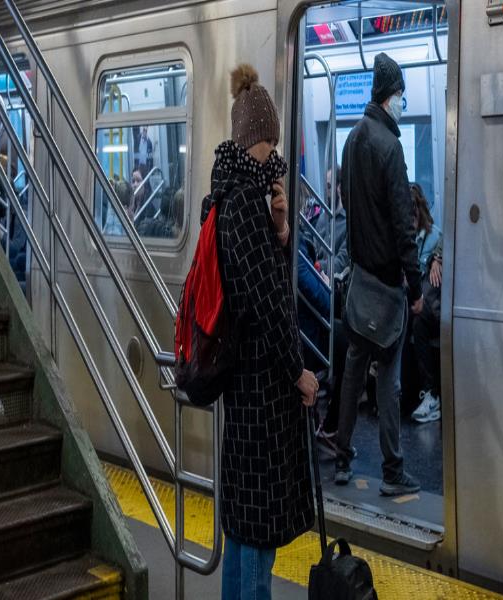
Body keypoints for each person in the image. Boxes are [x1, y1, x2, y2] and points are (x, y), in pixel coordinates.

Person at [214, 63, 316, 600]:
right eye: (268, 143)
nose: (274, 154)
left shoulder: (238, 199)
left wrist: (281, 229)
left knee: (242, 532)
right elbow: (269, 304)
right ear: (250, 141)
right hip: (261, 392)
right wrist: (297, 371)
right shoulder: (241, 206)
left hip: (248, 388)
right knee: (257, 535)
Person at [335, 52, 423, 496]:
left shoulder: (351, 141)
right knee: (389, 380)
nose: (404, 105)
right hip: (387, 286)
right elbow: (404, 223)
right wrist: (416, 284)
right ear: (390, 98)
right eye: (402, 97)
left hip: (359, 280)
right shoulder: (391, 147)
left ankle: (342, 457)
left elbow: (349, 204)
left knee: (353, 372)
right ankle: (393, 471)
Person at [409, 183, 443, 423]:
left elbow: (445, 245)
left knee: (419, 320)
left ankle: (431, 394)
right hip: (413, 301)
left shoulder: (434, 237)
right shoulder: (403, 238)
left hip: (429, 305)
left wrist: (435, 258)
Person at [313, 166, 349, 278]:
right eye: (325, 187)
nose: (325, 192)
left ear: (339, 188)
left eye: (329, 187)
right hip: (317, 276)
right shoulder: (322, 218)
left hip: (333, 283)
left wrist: (318, 266)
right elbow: (313, 248)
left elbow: (341, 261)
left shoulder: (348, 224)